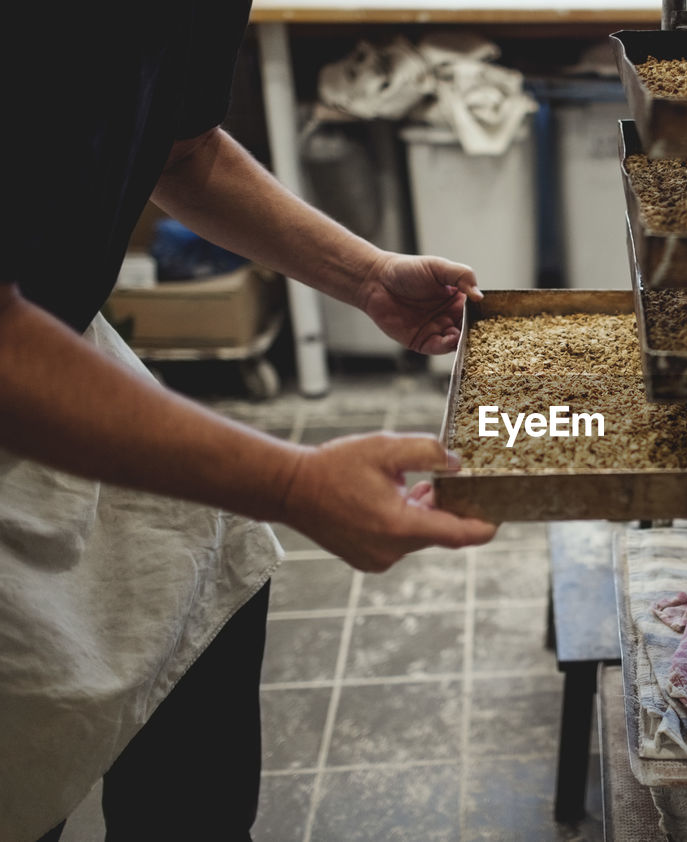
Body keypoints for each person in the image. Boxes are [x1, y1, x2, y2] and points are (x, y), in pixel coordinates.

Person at [1, 3, 498, 839]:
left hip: (51, 333)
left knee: (210, 603)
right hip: (18, 367)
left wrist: (368, 275)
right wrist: (293, 482)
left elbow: (184, 151)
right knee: (25, 745)